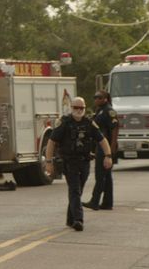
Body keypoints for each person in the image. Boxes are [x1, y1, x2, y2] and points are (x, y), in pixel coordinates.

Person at [44, 96, 112, 231]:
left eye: (81, 108)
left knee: (77, 190)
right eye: (76, 107)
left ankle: (70, 219)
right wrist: (48, 162)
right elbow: (51, 142)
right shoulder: (64, 123)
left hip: (85, 161)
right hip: (69, 162)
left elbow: (102, 139)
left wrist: (108, 156)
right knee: (75, 189)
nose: (79, 110)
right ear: (71, 108)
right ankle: (78, 219)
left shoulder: (89, 123)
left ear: (85, 108)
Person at [85, 90, 119, 211]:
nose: (96, 99)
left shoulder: (109, 111)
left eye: (99, 97)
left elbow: (115, 128)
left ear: (105, 98)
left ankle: (94, 201)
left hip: (106, 147)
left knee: (100, 175)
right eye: (95, 97)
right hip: (100, 145)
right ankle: (107, 203)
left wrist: (112, 147)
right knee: (107, 176)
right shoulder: (100, 110)